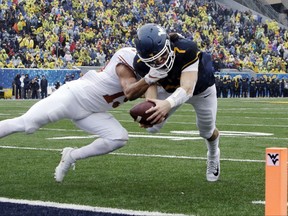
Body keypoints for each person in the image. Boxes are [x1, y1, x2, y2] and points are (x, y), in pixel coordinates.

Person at [0, 47, 164, 182]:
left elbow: (150, 92)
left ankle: (71, 156)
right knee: (26, 124)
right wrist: (150, 78)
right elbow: (129, 91)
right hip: (72, 97)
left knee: (118, 137)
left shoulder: (147, 70)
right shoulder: (126, 60)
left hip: (92, 112)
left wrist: (151, 111)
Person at [133, 23, 220, 182]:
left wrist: (166, 105)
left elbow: (187, 87)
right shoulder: (140, 63)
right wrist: (151, 107)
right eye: (152, 60)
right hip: (170, 89)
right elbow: (151, 87)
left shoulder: (185, 49)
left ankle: (213, 155)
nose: (159, 62)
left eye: (162, 55)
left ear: (168, 45)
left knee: (206, 131)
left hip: (200, 90)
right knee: (153, 127)